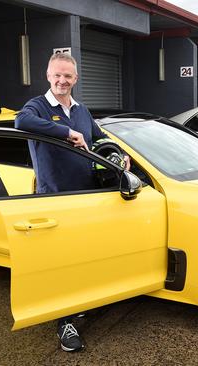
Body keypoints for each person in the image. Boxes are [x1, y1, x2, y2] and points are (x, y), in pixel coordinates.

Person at [15, 52, 129, 352]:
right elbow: (21, 121)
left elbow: (99, 137)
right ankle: (64, 323)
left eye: (67, 76)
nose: (62, 81)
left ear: (75, 79)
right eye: (57, 75)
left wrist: (120, 153)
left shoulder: (81, 109)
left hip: (88, 196)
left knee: (84, 257)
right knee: (61, 264)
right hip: (56, 200)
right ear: (48, 75)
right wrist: (66, 132)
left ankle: (83, 303)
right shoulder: (37, 106)